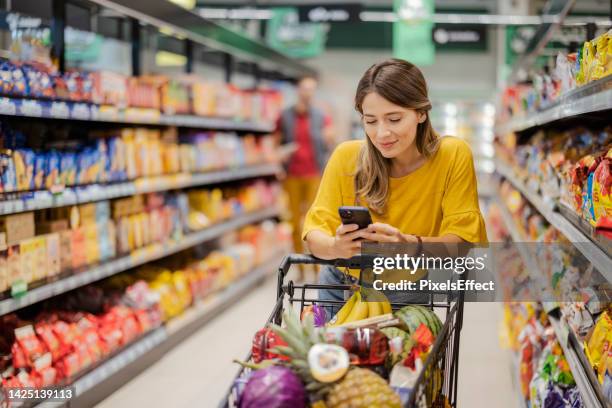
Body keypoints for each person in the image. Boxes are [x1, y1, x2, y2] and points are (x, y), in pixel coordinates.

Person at [301, 58, 488, 312]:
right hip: (339, 289)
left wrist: (407, 245)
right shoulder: (346, 157)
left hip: (408, 295)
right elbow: (314, 235)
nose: (381, 134)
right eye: (371, 121)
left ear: (421, 112)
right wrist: (336, 246)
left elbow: (462, 244)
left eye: (394, 119)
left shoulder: (452, 155)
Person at [277, 75, 335, 280]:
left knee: (314, 223)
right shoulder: (285, 116)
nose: (307, 93)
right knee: (294, 222)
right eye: (304, 89)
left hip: (314, 175)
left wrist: (329, 139)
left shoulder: (321, 116)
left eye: (311, 89)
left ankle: (317, 267)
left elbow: (330, 140)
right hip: (292, 174)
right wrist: (280, 156)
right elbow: (276, 143)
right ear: (298, 91)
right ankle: (300, 268)